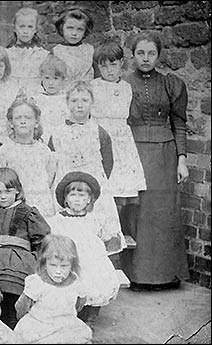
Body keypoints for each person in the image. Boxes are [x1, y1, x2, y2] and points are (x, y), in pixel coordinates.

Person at [120, 31, 189, 291]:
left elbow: (179, 124)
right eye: (140, 53)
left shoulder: (171, 84)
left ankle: (165, 276)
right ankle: (137, 275)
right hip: (133, 153)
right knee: (138, 213)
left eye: (151, 53)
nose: (145, 58)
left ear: (158, 55)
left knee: (162, 213)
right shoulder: (123, 84)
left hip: (164, 155)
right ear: (133, 55)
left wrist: (181, 159)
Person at [48, 81, 126, 255]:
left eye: (84, 100)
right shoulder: (57, 132)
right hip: (66, 183)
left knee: (96, 225)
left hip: (93, 183)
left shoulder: (100, 132)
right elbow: (51, 160)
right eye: (74, 101)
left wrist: (95, 183)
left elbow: (108, 163)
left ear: (92, 103)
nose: (79, 105)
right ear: (67, 103)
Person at [0, 167, 51, 329]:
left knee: (13, 291)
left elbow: (42, 239)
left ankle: (12, 322)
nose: (3, 197)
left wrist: (36, 259)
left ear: (17, 190)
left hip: (19, 258)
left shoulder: (28, 212)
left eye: (8, 191)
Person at [48, 171, 120, 329]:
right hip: (69, 259)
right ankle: (71, 317)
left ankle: (91, 318)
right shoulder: (58, 220)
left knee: (97, 281)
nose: (78, 200)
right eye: (73, 195)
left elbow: (107, 239)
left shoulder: (95, 220)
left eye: (82, 196)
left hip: (92, 261)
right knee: (70, 282)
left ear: (89, 200)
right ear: (65, 198)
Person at [91, 40, 147, 203]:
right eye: (103, 66)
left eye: (113, 65)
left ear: (121, 63)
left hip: (122, 139)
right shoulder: (92, 86)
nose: (109, 70)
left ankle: (124, 226)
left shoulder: (126, 87)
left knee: (124, 185)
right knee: (103, 183)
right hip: (100, 136)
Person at [14, 234, 92, 344]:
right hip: (40, 325)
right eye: (53, 265)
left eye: (64, 266)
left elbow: (79, 305)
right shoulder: (38, 282)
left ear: (72, 264)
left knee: (80, 336)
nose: (58, 271)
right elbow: (22, 308)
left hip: (66, 326)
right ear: (44, 263)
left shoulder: (75, 283)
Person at [0, 97, 59, 218]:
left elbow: (49, 181)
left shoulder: (45, 152)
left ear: (36, 122)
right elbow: (1, 184)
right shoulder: (3, 152)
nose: (23, 121)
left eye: (27, 117)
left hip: (42, 208)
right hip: (15, 209)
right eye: (18, 118)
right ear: (11, 123)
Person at [6, 7, 50, 93]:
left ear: (35, 29)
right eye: (22, 26)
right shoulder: (6, 54)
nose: (26, 31)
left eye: (30, 27)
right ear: (14, 28)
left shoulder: (43, 55)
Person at [30, 54, 70, 143]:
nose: (51, 83)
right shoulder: (36, 100)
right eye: (47, 78)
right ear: (41, 78)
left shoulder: (67, 99)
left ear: (63, 80)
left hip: (62, 138)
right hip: (41, 137)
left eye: (55, 78)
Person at [52, 6, 95, 85]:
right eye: (70, 28)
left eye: (80, 29)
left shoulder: (90, 50)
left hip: (87, 91)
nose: (74, 33)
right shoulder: (56, 51)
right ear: (62, 28)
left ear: (85, 31)